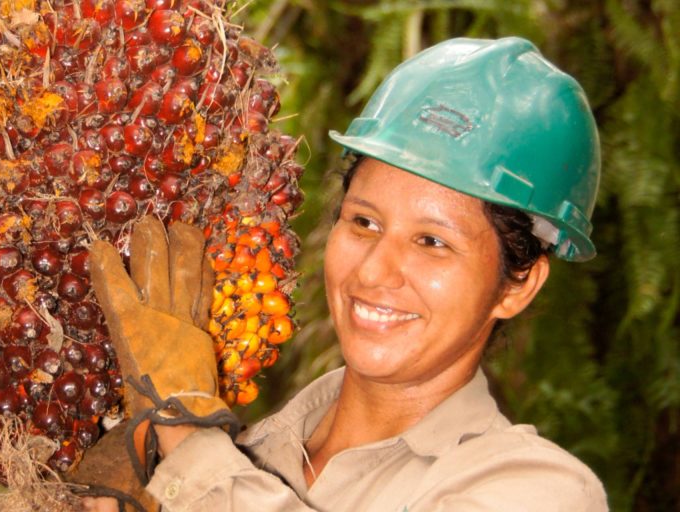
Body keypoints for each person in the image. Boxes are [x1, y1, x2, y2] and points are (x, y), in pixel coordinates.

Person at [82, 36, 608, 511]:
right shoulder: (254, 452)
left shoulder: (538, 488)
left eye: (432, 241)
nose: (375, 269)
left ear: (517, 286)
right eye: (363, 221)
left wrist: (187, 436)